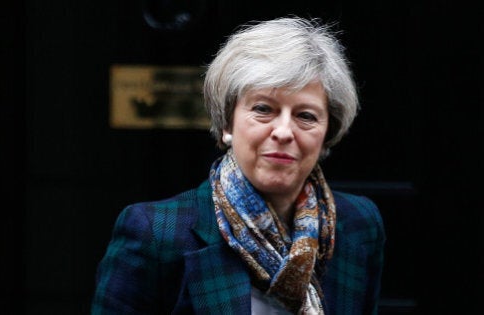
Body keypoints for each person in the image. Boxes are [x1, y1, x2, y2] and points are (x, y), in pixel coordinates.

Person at [92, 16, 385, 315]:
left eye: (306, 116)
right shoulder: (155, 233)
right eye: (263, 109)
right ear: (226, 124)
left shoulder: (358, 224)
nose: (284, 131)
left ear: (327, 134)